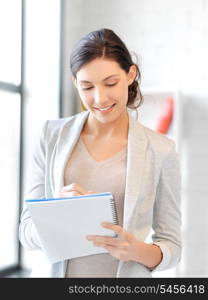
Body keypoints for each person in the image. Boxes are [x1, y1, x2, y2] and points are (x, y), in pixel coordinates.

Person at [19, 28, 182, 278]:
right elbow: (26, 233)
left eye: (110, 83)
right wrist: (57, 214)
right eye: (87, 87)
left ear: (130, 75)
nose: (99, 98)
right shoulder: (50, 136)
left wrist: (135, 250)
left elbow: (172, 246)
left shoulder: (161, 150)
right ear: (75, 83)